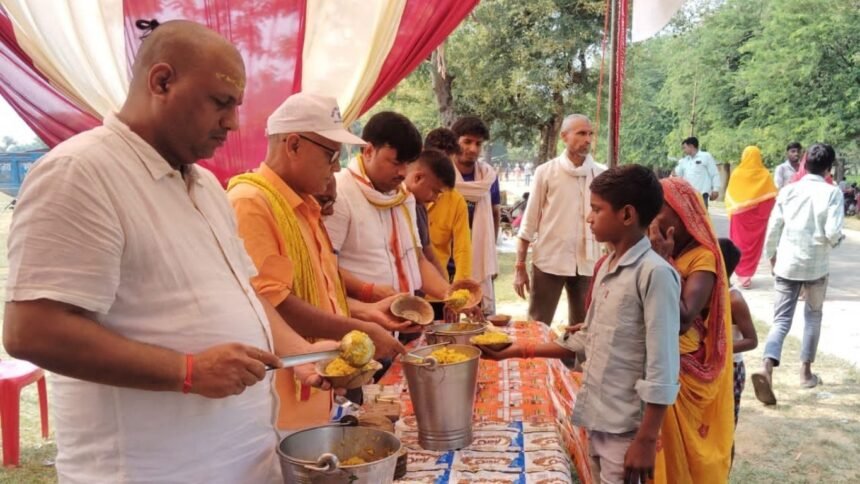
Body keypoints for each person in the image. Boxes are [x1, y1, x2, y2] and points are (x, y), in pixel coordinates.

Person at [2, 21, 330, 482]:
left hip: (245, 463)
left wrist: (306, 355)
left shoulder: (206, 188)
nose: (233, 123)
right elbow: (32, 331)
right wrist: (187, 371)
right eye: (220, 102)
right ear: (161, 82)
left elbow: (245, 293)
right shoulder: (80, 173)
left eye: (236, 106)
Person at [227, 93, 412, 429]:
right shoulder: (251, 202)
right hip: (280, 405)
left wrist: (367, 310)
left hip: (315, 392)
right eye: (330, 155)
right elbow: (273, 304)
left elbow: (324, 285)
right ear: (294, 145)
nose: (337, 167)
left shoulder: (305, 207)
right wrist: (360, 328)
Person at [485, 164, 680, 484]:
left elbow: (663, 367)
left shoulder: (654, 274)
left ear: (627, 215)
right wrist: (514, 350)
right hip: (598, 414)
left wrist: (645, 440)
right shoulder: (607, 266)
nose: (589, 218)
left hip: (627, 428)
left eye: (596, 209)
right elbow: (586, 340)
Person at [648, 176, 735, 483]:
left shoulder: (703, 257)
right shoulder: (657, 248)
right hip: (657, 358)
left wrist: (662, 261)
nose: (653, 216)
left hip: (683, 365)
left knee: (681, 451)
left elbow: (683, 319)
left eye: (660, 208)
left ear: (683, 213)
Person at [325, 112, 450, 302]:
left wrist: (451, 295)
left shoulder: (404, 197)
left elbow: (418, 260)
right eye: (396, 163)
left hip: (403, 318)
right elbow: (323, 265)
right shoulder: (340, 193)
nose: (402, 172)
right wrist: (367, 290)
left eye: (408, 164)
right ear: (368, 152)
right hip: (357, 322)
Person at [754, 143, 844, 405]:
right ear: (829, 168)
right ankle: (805, 373)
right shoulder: (832, 193)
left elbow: (774, 227)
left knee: (781, 319)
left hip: (787, 262)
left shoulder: (789, 190)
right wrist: (834, 242)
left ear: (805, 163)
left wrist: (771, 255)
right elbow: (832, 232)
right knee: (813, 316)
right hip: (816, 265)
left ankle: (766, 366)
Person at [514, 114, 605, 327]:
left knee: (584, 329)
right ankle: (534, 362)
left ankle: (579, 363)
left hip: (588, 263)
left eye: (590, 133)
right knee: (537, 325)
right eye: (581, 133)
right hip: (549, 260)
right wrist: (519, 266)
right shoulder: (545, 172)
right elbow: (528, 223)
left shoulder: (601, 174)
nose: (588, 139)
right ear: (564, 136)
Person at [451, 116, 500, 315]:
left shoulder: (488, 177)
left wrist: (491, 254)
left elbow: (495, 213)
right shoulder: (443, 173)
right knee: (450, 314)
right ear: (455, 141)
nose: (473, 149)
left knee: (480, 318)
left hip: (479, 256)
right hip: (448, 259)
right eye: (467, 141)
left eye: (478, 143)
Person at [718, 238, 759, 428]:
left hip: (730, 369)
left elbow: (752, 340)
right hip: (712, 367)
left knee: (725, 427)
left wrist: (719, 348)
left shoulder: (734, 299)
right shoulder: (706, 291)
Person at [725, 146, 778, 289]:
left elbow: (730, 195)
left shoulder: (737, 174)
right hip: (757, 219)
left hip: (739, 218)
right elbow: (771, 198)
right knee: (753, 246)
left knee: (738, 243)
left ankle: (742, 274)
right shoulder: (765, 175)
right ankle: (747, 275)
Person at [403, 149, 457, 279]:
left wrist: (447, 290)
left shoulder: (420, 209)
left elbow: (429, 255)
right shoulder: (393, 205)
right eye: (434, 191)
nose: (434, 199)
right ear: (418, 178)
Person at [674, 136, 721, 209]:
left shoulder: (706, 156)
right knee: (687, 219)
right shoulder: (684, 161)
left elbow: (714, 174)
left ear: (691, 146)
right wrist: (679, 163)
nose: (683, 150)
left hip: (701, 195)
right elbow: (676, 174)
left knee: (701, 219)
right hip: (687, 196)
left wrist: (716, 189)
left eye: (684, 148)